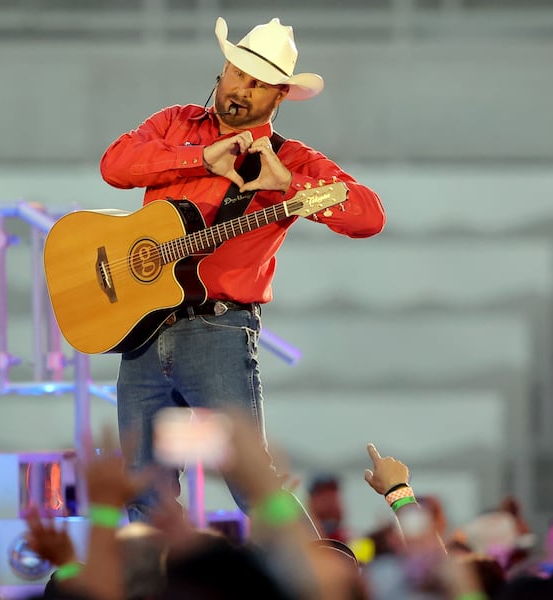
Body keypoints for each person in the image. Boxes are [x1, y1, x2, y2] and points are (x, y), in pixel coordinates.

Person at [98, 15, 386, 533]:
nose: (243, 89)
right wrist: (200, 158)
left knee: (254, 485)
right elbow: (116, 165)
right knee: (143, 491)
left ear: (280, 99)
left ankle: (319, 577)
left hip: (219, 329)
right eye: (238, 73)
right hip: (142, 326)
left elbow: (368, 215)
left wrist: (289, 183)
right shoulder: (175, 124)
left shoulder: (291, 158)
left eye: (260, 85)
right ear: (222, 71)